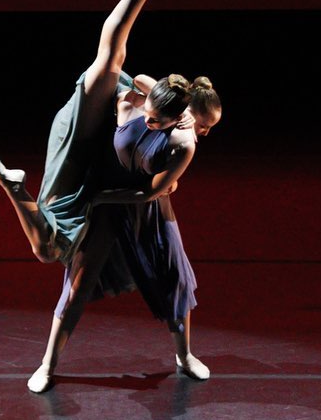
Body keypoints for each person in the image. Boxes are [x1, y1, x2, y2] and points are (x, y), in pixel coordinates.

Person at [0, 0, 183, 265]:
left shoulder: (175, 130)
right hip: (82, 143)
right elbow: (121, 60)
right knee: (110, 57)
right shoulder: (168, 119)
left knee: (47, 251)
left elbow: (159, 184)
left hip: (93, 167)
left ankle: (16, 187)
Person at [29, 76, 222, 392]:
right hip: (104, 204)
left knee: (175, 277)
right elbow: (133, 78)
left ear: (178, 116)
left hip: (143, 206)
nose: (206, 132)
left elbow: (151, 192)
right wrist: (97, 197)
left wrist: (104, 196)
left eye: (158, 120)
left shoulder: (183, 142)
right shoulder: (132, 102)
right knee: (78, 285)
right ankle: (48, 363)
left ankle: (184, 355)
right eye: (206, 123)